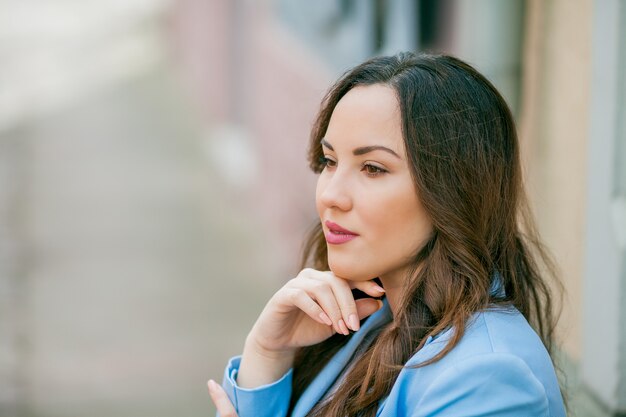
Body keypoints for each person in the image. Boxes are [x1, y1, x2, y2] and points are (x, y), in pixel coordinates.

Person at [207, 52, 567, 417]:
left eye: (373, 168)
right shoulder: (370, 321)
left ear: (455, 191)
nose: (331, 195)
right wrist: (269, 352)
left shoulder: (486, 379)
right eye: (330, 161)